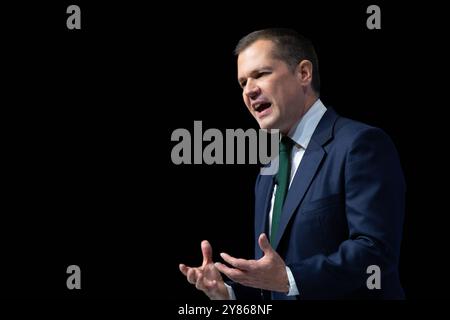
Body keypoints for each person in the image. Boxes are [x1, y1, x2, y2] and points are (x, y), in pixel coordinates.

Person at [179, 28, 405, 299]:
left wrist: (289, 278)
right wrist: (229, 294)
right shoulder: (269, 167)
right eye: (242, 83)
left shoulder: (360, 144)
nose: (249, 90)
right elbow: (273, 279)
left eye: (261, 74)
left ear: (303, 74)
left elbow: (375, 254)